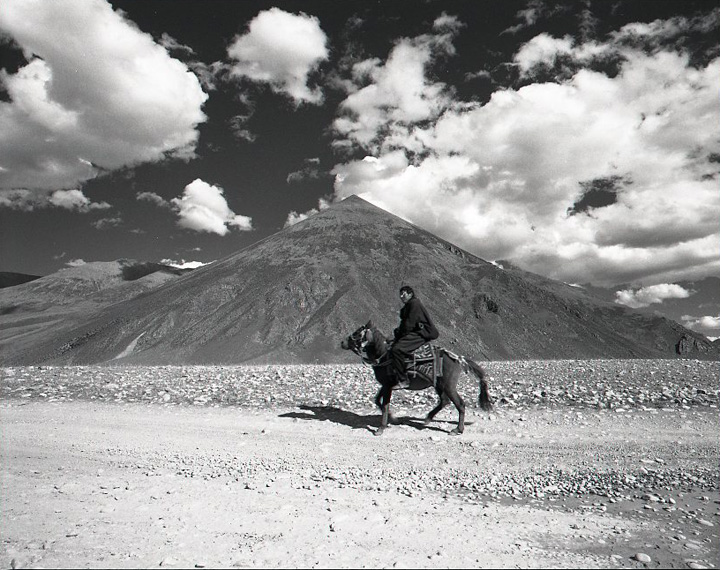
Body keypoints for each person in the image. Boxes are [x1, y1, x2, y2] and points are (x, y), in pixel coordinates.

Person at [389, 285, 439, 389]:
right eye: (400, 294)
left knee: (396, 349)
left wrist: (399, 334)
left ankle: (403, 380)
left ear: (410, 294)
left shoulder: (414, 304)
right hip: (415, 332)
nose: (401, 296)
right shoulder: (409, 305)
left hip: (421, 333)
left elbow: (409, 324)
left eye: (404, 293)